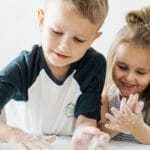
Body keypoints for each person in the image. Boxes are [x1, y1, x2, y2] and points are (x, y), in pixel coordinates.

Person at [0, 0, 110, 149]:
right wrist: (12, 134)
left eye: (79, 39)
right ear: (41, 20)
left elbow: (86, 117)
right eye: (57, 32)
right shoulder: (23, 67)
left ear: (94, 38)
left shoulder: (94, 65)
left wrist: (85, 133)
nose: (64, 46)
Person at [99, 6, 150, 144]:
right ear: (112, 61)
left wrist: (137, 128)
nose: (129, 77)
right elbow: (100, 131)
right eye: (122, 67)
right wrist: (118, 124)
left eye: (140, 72)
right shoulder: (108, 97)